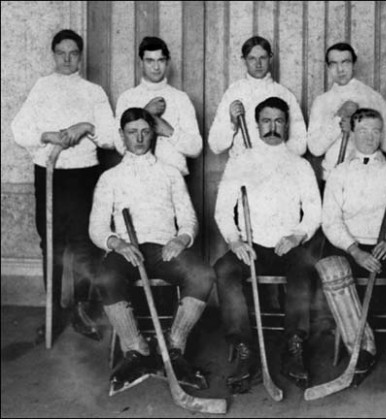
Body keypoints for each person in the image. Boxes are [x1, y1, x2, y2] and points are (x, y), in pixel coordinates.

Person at [89, 107, 214, 393]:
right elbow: (96, 227)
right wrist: (117, 243)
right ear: (122, 136)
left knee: (202, 274)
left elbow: (189, 219)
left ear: (153, 133)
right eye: (132, 133)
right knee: (106, 278)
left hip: (164, 248)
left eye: (145, 131)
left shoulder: (170, 173)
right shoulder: (110, 178)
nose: (140, 138)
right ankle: (137, 349)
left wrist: (181, 239)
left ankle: (174, 346)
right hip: (126, 250)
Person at [11, 29, 116, 342]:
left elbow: (110, 136)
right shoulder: (42, 87)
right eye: (61, 53)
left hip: (84, 175)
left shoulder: (93, 90)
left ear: (81, 56)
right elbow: (20, 130)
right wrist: (48, 136)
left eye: (73, 53)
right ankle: (52, 311)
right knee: (52, 243)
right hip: (49, 172)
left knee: (84, 243)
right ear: (53, 54)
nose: (68, 59)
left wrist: (86, 126)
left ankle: (81, 311)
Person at [214, 97, 321, 392]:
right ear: (257, 124)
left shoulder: (300, 165)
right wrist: (235, 241)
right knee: (224, 269)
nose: (272, 127)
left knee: (304, 266)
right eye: (266, 120)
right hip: (251, 244)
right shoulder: (241, 162)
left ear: (286, 125)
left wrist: (297, 236)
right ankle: (244, 349)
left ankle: (294, 345)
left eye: (278, 121)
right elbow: (223, 210)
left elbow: (314, 211)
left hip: (287, 244)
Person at [317, 108, 386, 390]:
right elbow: (330, 221)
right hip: (351, 249)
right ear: (353, 133)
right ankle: (362, 347)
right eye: (363, 130)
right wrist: (355, 251)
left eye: (376, 131)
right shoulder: (339, 174)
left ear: (382, 133)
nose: (370, 136)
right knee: (329, 267)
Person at [307, 42, 386, 180]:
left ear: (354, 65)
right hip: (333, 179)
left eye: (345, 62)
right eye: (334, 64)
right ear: (328, 67)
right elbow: (315, 148)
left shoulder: (373, 97)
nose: (340, 69)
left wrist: (357, 129)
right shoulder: (321, 102)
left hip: (368, 177)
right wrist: (338, 120)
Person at [115, 36, 202, 176]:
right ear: (140, 63)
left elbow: (196, 148)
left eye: (160, 60)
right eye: (150, 61)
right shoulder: (127, 98)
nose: (156, 67)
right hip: (135, 178)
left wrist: (169, 131)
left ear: (167, 62)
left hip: (173, 178)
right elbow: (120, 146)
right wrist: (145, 114)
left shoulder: (180, 98)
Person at [208, 36, 307, 158]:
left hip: (275, 167)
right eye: (252, 59)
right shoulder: (233, 93)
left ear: (270, 58)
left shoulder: (284, 94)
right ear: (244, 60)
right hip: (241, 166)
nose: (258, 64)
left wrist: (277, 155)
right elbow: (215, 145)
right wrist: (233, 123)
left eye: (263, 58)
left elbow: (300, 143)